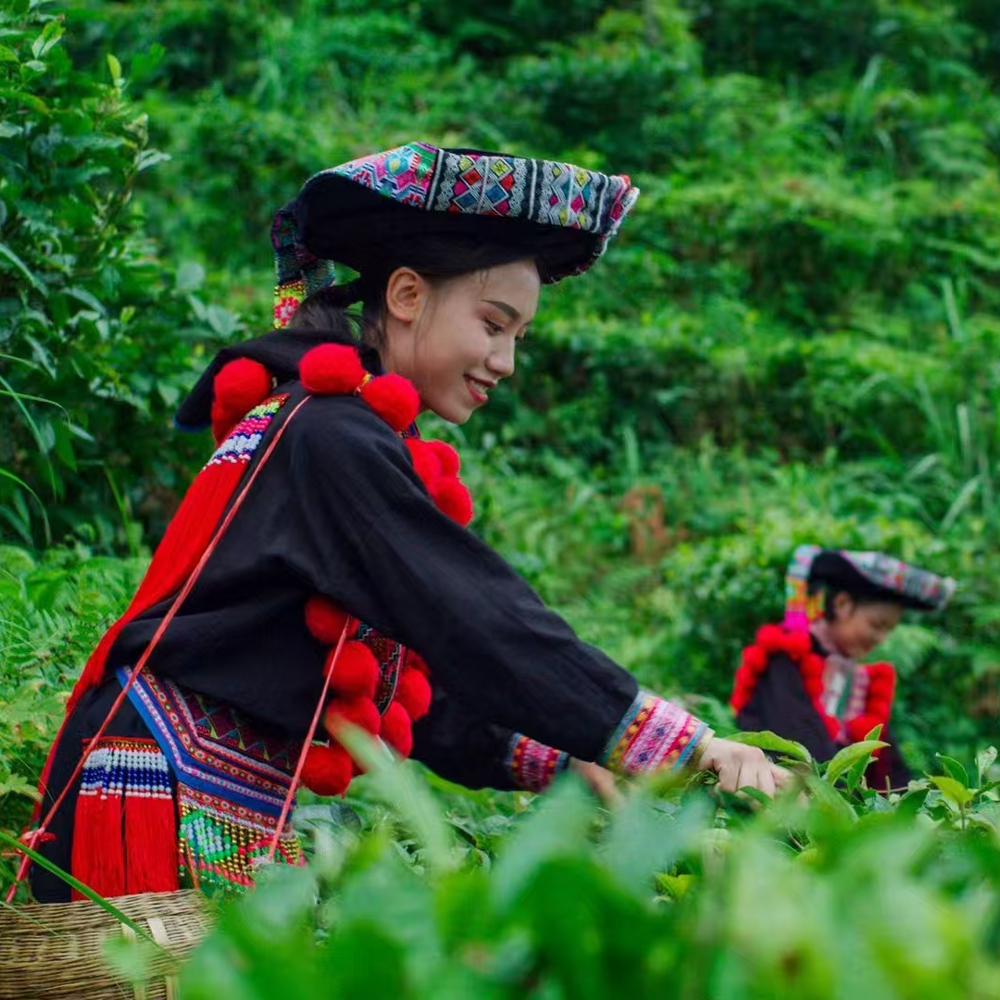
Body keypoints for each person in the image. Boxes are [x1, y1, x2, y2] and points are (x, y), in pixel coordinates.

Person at [28, 141, 786, 902]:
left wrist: (562, 754)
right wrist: (679, 743)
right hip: (157, 785)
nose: (506, 361)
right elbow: (473, 616)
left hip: (188, 774)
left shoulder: (324, 421)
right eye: (493, 324)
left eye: (518, 338)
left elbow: (405, 685)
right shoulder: (331, 433)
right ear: (407, 295)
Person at [731, 544, 955, 789]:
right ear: (842, 604)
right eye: (877, 625)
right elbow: (804, 749)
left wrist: (917, 796)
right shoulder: (785, 658)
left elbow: (888, 763)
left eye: (888, 630)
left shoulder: (859, 680)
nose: (881, 639)